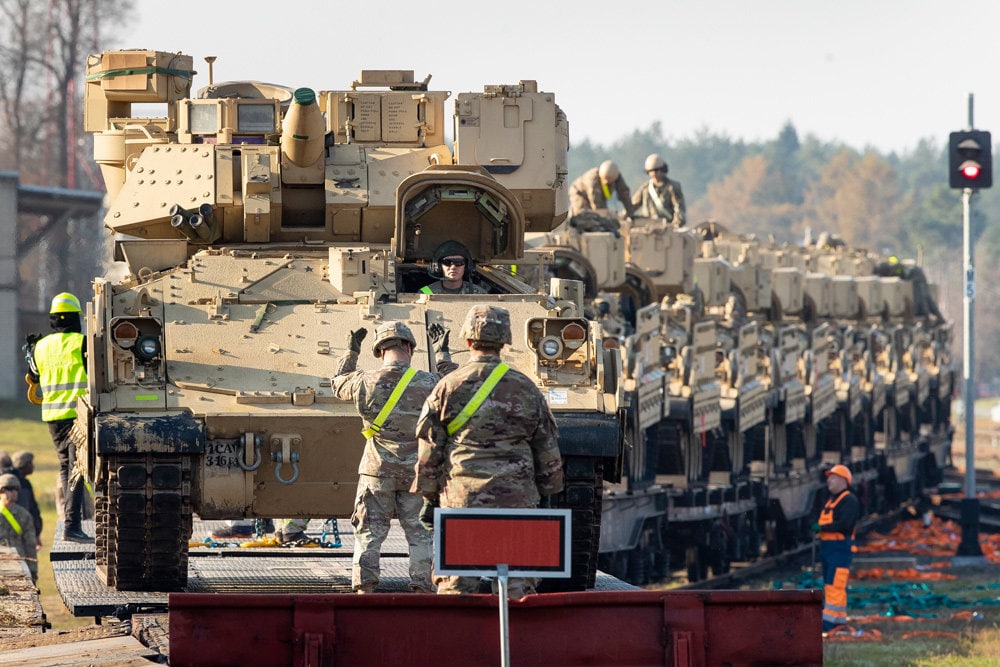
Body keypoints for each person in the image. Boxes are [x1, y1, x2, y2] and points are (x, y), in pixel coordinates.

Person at [413, 304, 564, 598]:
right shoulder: (526, 387)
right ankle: (516, 638)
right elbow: (547, 447)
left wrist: (429, 496)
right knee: (517, 585)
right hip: (517, 502)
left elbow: (430, 447)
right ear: (505, 341)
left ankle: (460, 640)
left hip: (463, 500)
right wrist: (546, 491)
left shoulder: (447, 386)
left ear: (468, 341)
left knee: (457, 583)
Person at [333, 320, 456, 593]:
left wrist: (351, 352)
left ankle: (365, 588)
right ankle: (423, 588)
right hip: (418, 472)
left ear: (379, 352)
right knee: (421, 535)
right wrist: (442, 354)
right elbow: (457, 387)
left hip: (377, 471)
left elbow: (337, 384)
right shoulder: (429, 382)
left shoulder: (364, 381)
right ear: (410, 348)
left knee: (368, 534)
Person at [30, 292, 92, 543]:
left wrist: (30, 354)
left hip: (53, 417)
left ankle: (71, 525)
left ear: (53, 319)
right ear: (77, 317)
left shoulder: (40, 346)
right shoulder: (82, 343)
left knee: (67, 468)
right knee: (76, 470)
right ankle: (72, 527)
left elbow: (33, 378)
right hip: (77, 418)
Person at [815, 464, 860, 636]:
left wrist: (821, 527)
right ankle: (838, 620)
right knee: (831, 584)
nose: (829, 480)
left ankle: (829, 623)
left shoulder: (849, 500)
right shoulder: (831, 500)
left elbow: (845, 525)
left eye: (832, 477)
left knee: (835, 585)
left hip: (840, 549)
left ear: (843, 480)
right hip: (829, 549)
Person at [873, 256, 944, 322]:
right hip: (916, 284)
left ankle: (934, 318)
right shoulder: (902, 269)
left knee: (923, 299)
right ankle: (936, 318)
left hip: (916, 284)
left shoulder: (906, 270)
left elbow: (902, 274)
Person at [0, 473, 38, 582]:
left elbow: (30, 545)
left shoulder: (24, 515)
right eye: (10, 489)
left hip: (19, 563)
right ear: (1, 491)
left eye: (16, 489)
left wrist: (33, 571)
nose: (14, 493)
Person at [568, 160, 636, 218]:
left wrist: (630, 212)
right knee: (583, 214)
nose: (606, 182)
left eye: (609, 180)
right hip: (579, 193)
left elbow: (624, 193)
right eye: (605, 179)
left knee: (603, 215)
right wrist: (604, 215)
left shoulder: (616, 176)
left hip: (600, 195)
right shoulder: (592, 180)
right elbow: (596, 203)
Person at [632, 153, 686, 226]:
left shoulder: (672, 187)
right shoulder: (645, 188)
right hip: (647, 226)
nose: (654, 173)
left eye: (657, 170)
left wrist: (676, 224)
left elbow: (679, 208)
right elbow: (632, 206)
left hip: (667, 226)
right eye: (651, 171)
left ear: (663, 170)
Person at [420, 241, 487, 295]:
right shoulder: (425, 293)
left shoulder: (479, 294)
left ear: (467, 266)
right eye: (447, 262)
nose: (453, 267)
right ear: (438, 266)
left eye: (459, 262)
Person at [10, 452, 42, 550]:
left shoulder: (19, 484)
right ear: (23, 464)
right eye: (30, 463)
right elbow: (28, 510)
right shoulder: (23, 486)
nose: (33, 466)